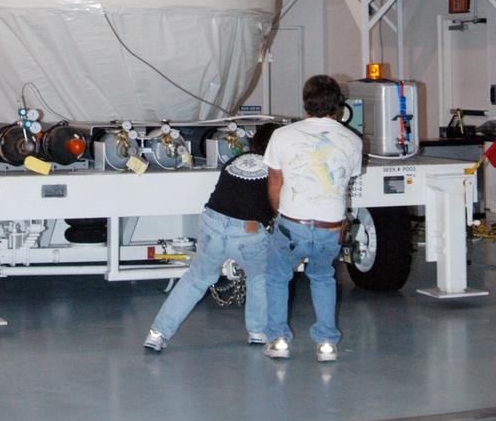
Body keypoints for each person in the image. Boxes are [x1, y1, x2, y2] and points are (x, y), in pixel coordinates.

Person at [143, 123, 278, 352]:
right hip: (247, 231)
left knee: (196, 279)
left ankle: (157, 334)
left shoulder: (235, 161)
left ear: (254, 142)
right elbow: (275, 204)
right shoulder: (276, 168)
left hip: (212, 222)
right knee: (260, 277)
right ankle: (257, 331)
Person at [263, 75, 363, 363]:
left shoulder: (282, 136)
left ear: (305, 103)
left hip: (292, 223)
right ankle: (327, 344)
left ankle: (279, 340)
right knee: (322, 278)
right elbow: (346, 183)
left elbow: (274, 182)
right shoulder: (353, 140)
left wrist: (276, 214)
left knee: (277, 279)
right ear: (338, 105)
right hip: (330, 226)